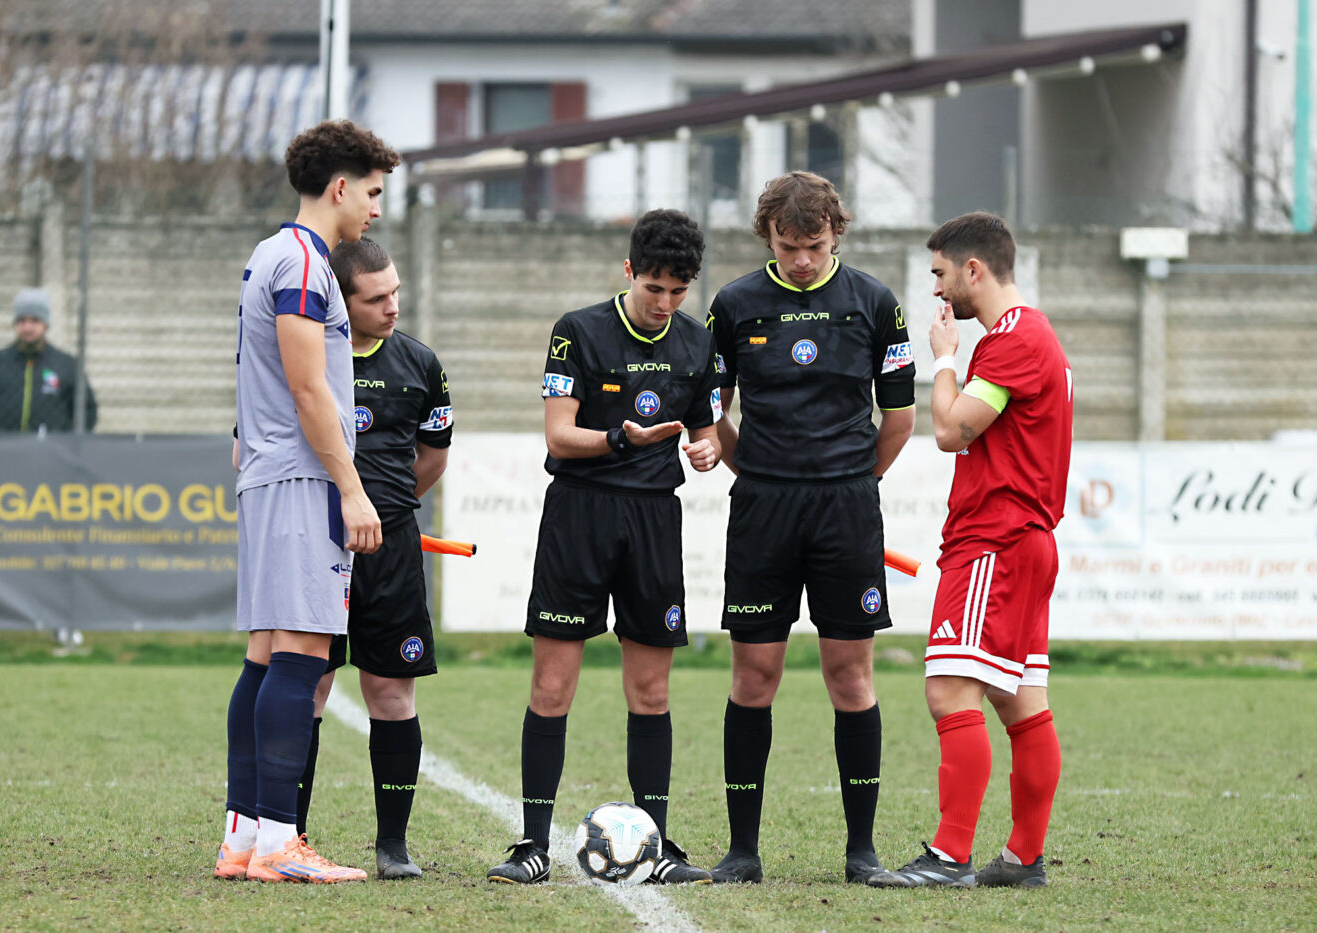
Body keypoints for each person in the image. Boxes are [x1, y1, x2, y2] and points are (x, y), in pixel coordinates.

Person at [486, 208, 722, 885]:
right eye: (654, 287)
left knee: (651, 691)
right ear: (628, 271)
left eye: (678, 292)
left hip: (654, 519)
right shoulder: (578, 331)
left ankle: (654, 845)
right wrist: (623, 438)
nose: (665, 304)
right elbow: (559, 435)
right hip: (580, 514)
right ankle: (531, 845)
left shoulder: (697, 343)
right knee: (552, 683)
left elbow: (704, 428)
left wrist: (705, 448)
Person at [704, 171, 916, 887]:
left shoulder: (875, 303)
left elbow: (900, 417)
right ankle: (742, 850)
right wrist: (752, 472)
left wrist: (858, 483)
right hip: (764, 507)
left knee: (849, 675)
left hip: (846, 508)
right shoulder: (733, 304)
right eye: (788, 245)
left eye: (814, 245)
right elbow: (713, 409)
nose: (801, 258)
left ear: (837, 234)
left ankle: (863, 852)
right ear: (768, 235)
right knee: (754, 673)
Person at [213, 119, 399, 885]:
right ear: (340, 187)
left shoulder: (272, 254)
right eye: (375, 192)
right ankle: (280, 843)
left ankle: (246, 837)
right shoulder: (300, 263)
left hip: (269, 473)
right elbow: (305, 385)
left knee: (266, 658)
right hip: (300, 477)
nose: (377, 211)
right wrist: (351, 489)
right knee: (301, 654)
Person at [885, 211, 1072, 888]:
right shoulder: (1030, 334)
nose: (937, 292)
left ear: (974, 269)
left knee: (949, 689)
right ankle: (1023, 858)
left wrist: (942, 359)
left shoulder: (1013, 338)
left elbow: (951, 429)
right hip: (1022, 541)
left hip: (995, 538)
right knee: (1021, 701)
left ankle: (949, 854)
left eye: (939, 274)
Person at [292, 237, 452, 880]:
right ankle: (290, 836)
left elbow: (433, 456)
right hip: (314, 547)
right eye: (376, 297)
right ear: (341, 299)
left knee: (391, 693)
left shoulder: (421, 363)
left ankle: (393, 847)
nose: (391, 307)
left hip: (392, 552)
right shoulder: (306, 360)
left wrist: (379, 514)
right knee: (309, 688)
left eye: (395, 293)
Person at [0, 288, 97, 433]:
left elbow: (87, 409)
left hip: (49, 452)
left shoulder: (67, 365)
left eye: (35, 320)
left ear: (45, 324)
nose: (27, 328)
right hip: (1, 450)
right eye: (22, 321)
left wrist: (66, 440)